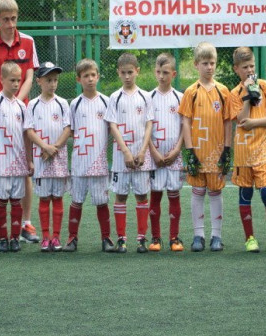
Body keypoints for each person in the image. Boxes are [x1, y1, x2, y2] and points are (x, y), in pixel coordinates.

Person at [0, 0, 40, 245]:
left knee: (25, 170)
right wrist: (1, 104)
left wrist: (15, 104)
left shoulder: (29, 42)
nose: (10, 24)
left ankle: (26, 223)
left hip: (20, 115)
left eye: (14, 19)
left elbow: (29, 78)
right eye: (5, 20)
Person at [230, 46, 266, 252]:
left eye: (252, 66)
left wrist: (255, 123)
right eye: (245, 67)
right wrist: (247, 95)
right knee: (245, 194)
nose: (250, 70)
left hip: (262, 150)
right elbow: (242, 119)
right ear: (236, 69)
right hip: (243, 153)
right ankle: (250, 238)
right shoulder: (234, 93)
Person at [179, 42, 231, 252]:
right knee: (198, 192)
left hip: (216, 152)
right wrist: (190, 151)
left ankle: (216, 236)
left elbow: (228, 121)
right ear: (196, 64)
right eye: (205, 63)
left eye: (212, 63)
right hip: (198, 153)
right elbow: (186, 122)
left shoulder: (223, 91)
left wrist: (227, 149)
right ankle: (198, 235)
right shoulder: (191, 91)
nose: (209, 67)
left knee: (215, 192)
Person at [105, 52, 154, 253]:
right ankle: (121, 239)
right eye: (123, 73)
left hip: (142, 157)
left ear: (137, 71)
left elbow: (149, 125)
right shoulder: (114, 98)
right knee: (121, 196)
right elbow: (112, 126)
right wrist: (125, 152)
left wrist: (142, 151)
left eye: (130, 72)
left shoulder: (146, 96)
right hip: (120, 158)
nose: (127, 76)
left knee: (142, 195)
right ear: (118, 72)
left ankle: (141, 239)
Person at [0, 61, 33, 253]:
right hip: (1, 162)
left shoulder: (21, 106)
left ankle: (15, 238)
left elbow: (26, 135)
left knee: (17, 201)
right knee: (2, 201)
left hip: (18, 162)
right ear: (2, 79)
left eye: (18, 80)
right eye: (12, 80)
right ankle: (3, 238)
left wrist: (29, 159)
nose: (16, 84)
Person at [66, 58, 115, 253]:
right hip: (79, 163)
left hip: (99, 163)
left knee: (102, 202)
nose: (90, 79)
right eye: (85, 76)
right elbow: (71, 130)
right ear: (79, 79)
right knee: (76, 201)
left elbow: (112, 129)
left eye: (93, 75)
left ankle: (106, 238)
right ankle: (72, 238)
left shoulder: (106, 102)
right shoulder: (75, 104)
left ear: (98, 77)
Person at [24, 62, 71, 252]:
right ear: (39, 81)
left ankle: (56, 237)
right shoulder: (33, 105)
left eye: (55, 80)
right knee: (44, 198)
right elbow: (29, 130)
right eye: (49, 80)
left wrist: (54, 147)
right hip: (41, 158)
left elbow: (68, 128)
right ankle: (45, 237)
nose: (53, 84)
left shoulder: (62, 103)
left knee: (57, 197)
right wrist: (44, 147)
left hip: (58, 158)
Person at [147, 53, 184, 252]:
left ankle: (174, 237)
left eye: (166, 73)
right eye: (159, 72)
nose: (162, 76)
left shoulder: (180, 98)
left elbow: (185, 127)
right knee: (155, 195)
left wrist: (177, 149)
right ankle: (155, 238)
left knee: (174, 194)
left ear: (174, 74)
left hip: (174, 157)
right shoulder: (148, 98)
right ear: (155, 72)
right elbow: (145, 128)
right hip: (154, 158)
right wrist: (153, 152)